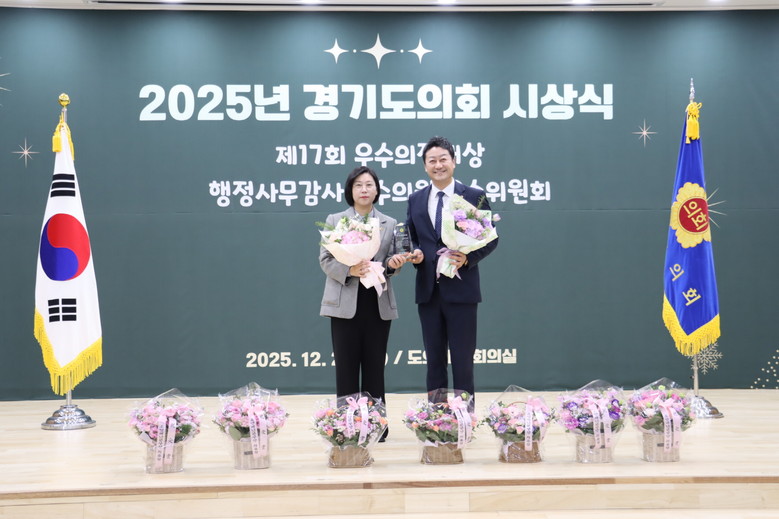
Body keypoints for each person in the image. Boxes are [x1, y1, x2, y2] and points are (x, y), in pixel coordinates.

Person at [406, 136, 498, 402]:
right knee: (434, 361)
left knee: (462, 361)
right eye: (432, 161)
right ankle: (436, 418)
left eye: (443, 159)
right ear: (425, 166)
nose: (438, 165)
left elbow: (491, 238)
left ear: (454, 161)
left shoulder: (473, 196)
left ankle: (464, 417)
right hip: (428, 292)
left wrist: (467, 259)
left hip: (462, 290)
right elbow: (412, 237)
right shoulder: (415, 199)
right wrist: (415, 252)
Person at [319, 166, 408, 438]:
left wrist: (393, 264)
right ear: (350, 190)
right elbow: (325, 259)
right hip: (344, 303)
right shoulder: (335, 220)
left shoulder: (390, 223)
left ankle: (376, 427)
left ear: (377, 190)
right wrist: (350, 270)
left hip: (377, 302)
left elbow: (393, 260)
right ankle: (346, 428)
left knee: (374, 368)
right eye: (358, 185)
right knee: (345, 368)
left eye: (369, 184)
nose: (364, 190)